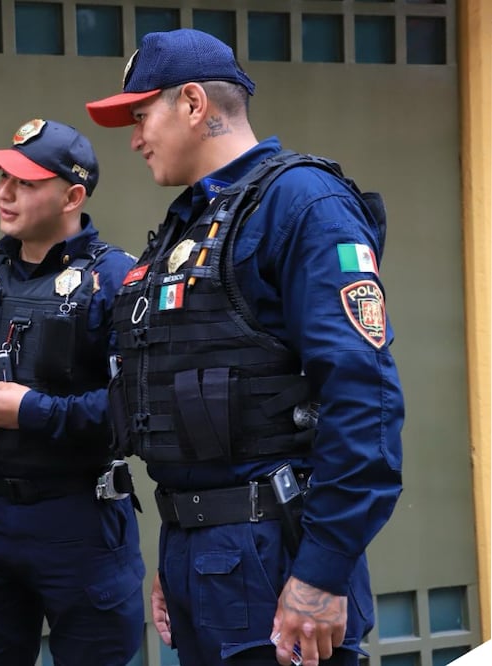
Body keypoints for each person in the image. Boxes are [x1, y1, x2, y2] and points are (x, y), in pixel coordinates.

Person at [85, 29, 404, 666]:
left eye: (142, 115)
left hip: (277, 557)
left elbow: (363, 401)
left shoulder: (302, 204)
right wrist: (179, 548)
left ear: (195, 103)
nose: (134, 136)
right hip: (201, 556)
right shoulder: (191, 223)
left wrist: (322, 572)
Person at [0, 118, 145, 665]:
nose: (5, 191)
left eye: (25, 181)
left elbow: (135, 408)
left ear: (72, 195)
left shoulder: (117, 280)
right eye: (1, 177)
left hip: (80, 521)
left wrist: (32, 412)